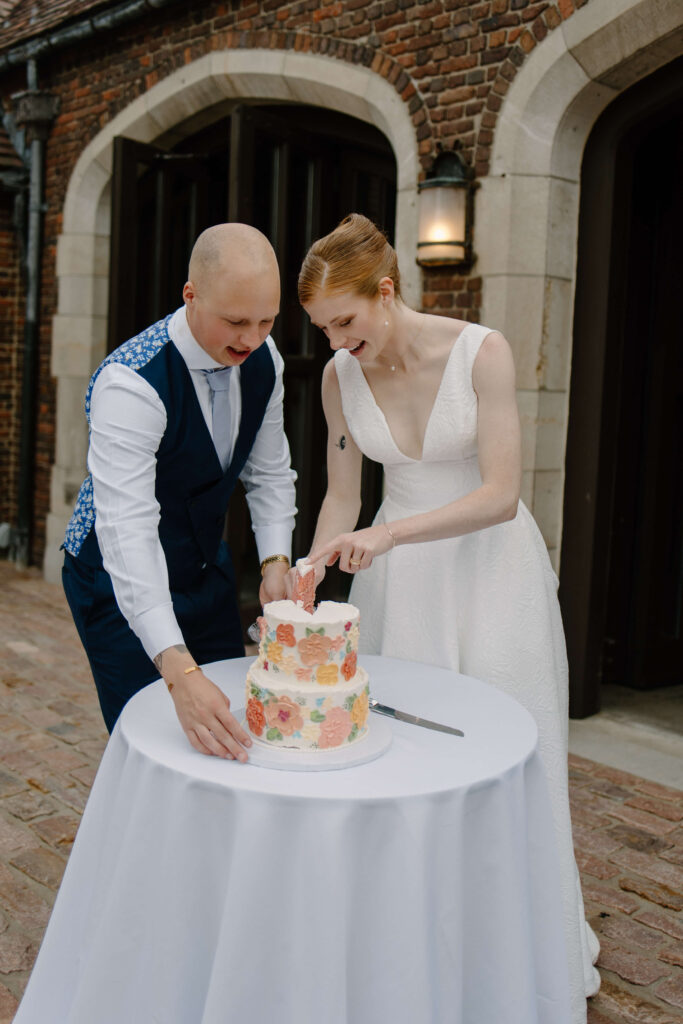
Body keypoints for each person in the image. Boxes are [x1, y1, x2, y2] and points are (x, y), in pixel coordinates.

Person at [296, 213, 600, 1021]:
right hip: (397, 591)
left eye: (345, 322)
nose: (335, 343)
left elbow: (500, 495)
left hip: (489, 576)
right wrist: (313, 569)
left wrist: (388, 535)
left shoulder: (483, 352)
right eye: (323, 329)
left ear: (385, 291)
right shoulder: (337, 378)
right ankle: (410, 950)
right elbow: (341, 496)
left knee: (508, 761)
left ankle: (516, 953)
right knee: (404, 763)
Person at [62, 223, 297, 762]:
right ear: (190, 296)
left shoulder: (266, 360)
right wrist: (178, 670)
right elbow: (128, 531)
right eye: (236, 321)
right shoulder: (131, 383)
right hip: (113, 578)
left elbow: (269, 473)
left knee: (232, 731)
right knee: (153, 748)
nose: (251, 339)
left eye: (267, 321)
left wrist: (274, 563)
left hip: (201, 566)